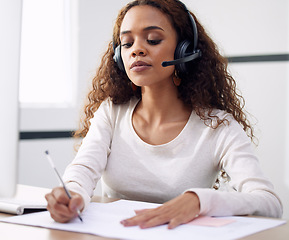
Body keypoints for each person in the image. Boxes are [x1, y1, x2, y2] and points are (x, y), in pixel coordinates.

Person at [45, 0, 283, 229]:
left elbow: (268, 202)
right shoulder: (111, 112)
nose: (137, 49)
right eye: (126, 44)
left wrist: (200, 201)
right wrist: (71, 194)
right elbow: (82, 172)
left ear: (184, 49)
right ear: (119, 57)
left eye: (153, 39)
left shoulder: (218, 125)